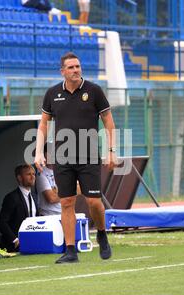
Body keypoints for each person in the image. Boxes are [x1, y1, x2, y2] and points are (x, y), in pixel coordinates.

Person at [34, 51, 117, 264]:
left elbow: (108, 121)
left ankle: (101, 233)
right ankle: (70, 251)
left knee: (94, 202)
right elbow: (43, 123)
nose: (75, 70)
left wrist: (111, 151)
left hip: (89, 155)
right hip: (62, 156)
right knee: (67, 202)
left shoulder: (94, 91)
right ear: (62, 71)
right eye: (71, 67)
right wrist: (38, 151)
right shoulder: (52, 94)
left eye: (78, 66)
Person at [0, 164, 38, 253]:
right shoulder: (11, 197)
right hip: (12, 248)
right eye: (28, 174)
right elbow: (1, 223)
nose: (32, 177)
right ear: (19, 178)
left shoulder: (34, 197)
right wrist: (15, 240)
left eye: (34, 174)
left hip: (31, 244)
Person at [36, 143, 61, 216]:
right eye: (49, 153)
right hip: (48, 215)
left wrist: (57, 192)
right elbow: (51, 198)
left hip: (64, 213)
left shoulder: (64, 171)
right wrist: (68, 192)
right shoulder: (41, 172)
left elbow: (79, 189)